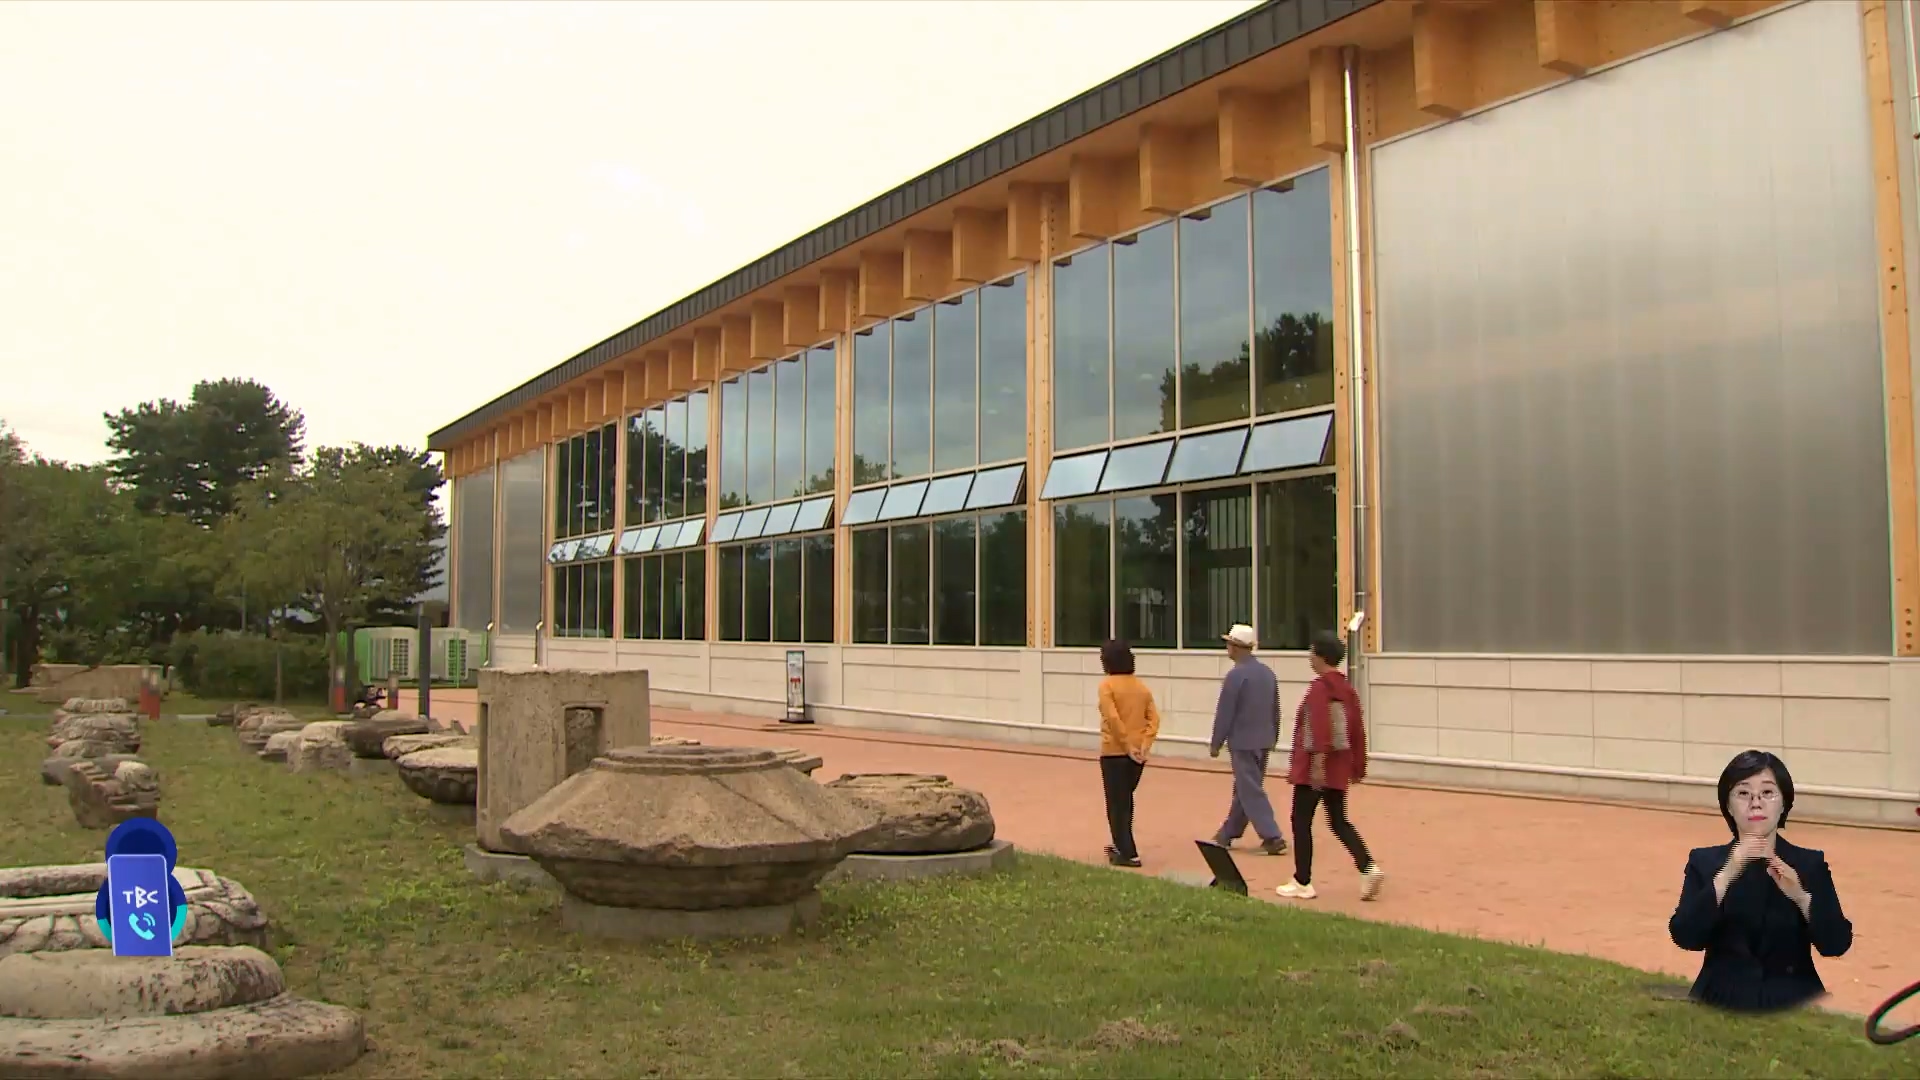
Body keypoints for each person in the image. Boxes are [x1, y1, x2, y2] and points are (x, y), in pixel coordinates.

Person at [1668, 750, 1852, 1011]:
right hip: (1719, 999)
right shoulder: (1705, 862)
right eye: (1743, 793)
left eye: (1767, 793)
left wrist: (1801, 897)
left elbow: (1836, 944)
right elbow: (1686, 937)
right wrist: (1727, 874)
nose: (1756, 803)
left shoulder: (1809, 864)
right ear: (1728, 806)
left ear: (1784, 803)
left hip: (1796, 1000)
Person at [1274, 633, 1384, 901]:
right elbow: (1357, 731)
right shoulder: (1347, 691)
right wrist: (1358, 766)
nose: (1309, 658)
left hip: (1315, 769)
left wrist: (1317, 763)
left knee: (1301, 821)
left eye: (1312, 652)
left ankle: (1302, 880)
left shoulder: (1320, 689)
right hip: (1338, 768)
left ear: (1321, 656)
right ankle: (1368, 867)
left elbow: (1318, 726)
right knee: (1338, 821)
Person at [1207, 624, 1287, 856]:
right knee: (1246, 787)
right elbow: (1275, 709)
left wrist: (1216, 742)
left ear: (1236, 647)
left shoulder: (1235, 676)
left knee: (1250, 789)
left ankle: (1272, 836)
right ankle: (1228, 832)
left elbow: (1225, 712)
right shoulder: (1267, 673)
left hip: (1242, 741)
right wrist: (1274, 735)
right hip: (1263, 740)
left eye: (1229, 644)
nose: (1227, 648)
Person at [1096, 639, 1159, 868]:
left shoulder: (1107, 686)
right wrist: (1143, 745)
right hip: (1137, 756)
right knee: (1126, 801)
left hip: (1114, 752)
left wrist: (1125, 744)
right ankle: (1121, 844)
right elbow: (1154, 719)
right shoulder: (1141, 687)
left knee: (1116, 804)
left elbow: (1112, 717)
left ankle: (1127, 852)